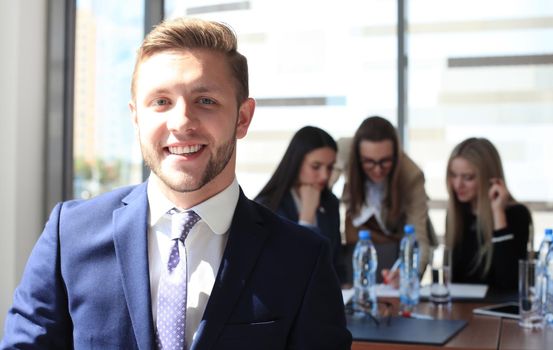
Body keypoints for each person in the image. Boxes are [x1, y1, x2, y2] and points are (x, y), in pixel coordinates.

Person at [1, 18, 351, 349]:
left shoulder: (302, 259)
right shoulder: (70, 234)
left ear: (242, 118)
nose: (182, 122)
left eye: (206, 101)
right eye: (161, 102)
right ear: (136, 117)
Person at [344, 116, 435, 286]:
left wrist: (411, 273)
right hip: (354, 251)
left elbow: (419, 237)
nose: (378, 170)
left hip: (392, 247)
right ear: (357, 157)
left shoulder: (412, 175)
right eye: (369, 162)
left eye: (385, 161)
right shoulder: (343, 151)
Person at [255, 126, 346, 284]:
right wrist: (307, 217)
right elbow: (292, 267)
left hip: (325, 297)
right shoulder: (267, 206)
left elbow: (335, 263)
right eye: (316, 166)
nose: (325, 175)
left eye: (330, 167)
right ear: (296, 163)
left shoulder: (330, 202)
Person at [446, 137, 531, 291]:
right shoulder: (457, 215)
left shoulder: (517, 214)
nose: (458, 184)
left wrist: (498, 213)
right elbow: (454, 282)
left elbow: (510, 283)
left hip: (498, 310)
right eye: (453, 175)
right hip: (461, 310)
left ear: (490, 179)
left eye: (468, 177)